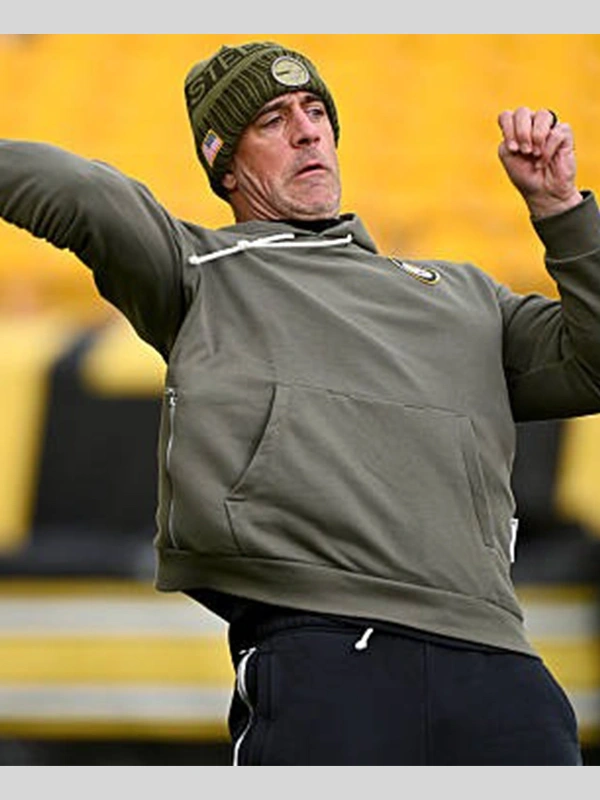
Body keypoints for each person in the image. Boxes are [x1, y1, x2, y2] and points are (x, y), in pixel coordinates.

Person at [0, 40, 598, 766]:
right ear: (226, 164)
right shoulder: (198, 272)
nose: (308, 131)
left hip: (500, 662)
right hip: (325, 650)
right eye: (273, 120)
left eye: (315, 111)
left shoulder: (465, 295)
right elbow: (82, 194)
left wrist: (562, 211)